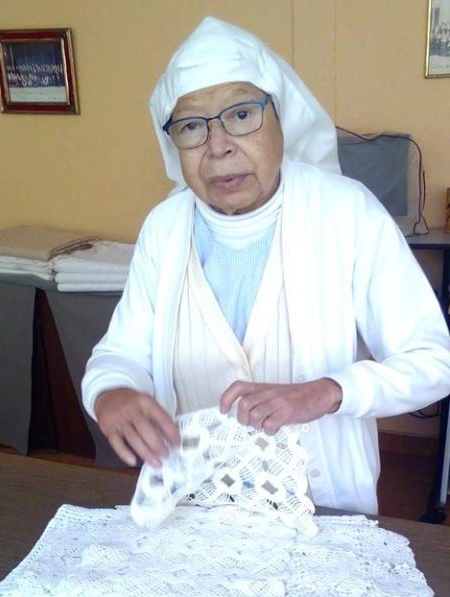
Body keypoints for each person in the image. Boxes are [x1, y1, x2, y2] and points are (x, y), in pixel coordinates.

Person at [82, 17, 450, 515]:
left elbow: (434, 361)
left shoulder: (347, 213)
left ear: (282, 117)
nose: (218, 146)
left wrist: (329, 391)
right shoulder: (164, 229)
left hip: (323, 507)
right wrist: (111, 392)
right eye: (192, 125)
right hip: (194, 505)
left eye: (240, 114)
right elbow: (120, 352)